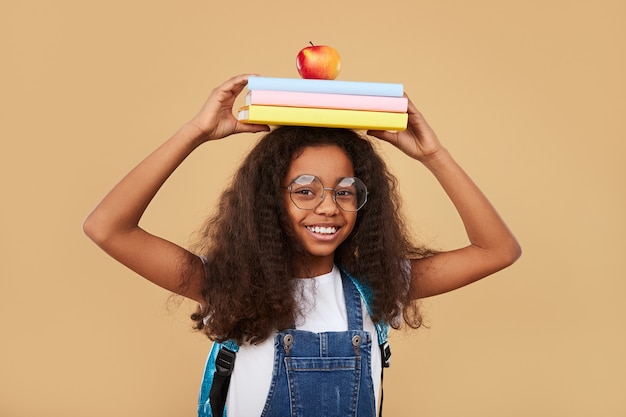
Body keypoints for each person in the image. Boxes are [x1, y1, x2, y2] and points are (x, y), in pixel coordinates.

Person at [83, 74, 521, 417]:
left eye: (345, 190)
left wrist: (433, 155)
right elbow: (108, 227)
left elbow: (497, 249)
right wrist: (195, 131)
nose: (328, 207)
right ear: (268, 201)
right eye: (305, 190)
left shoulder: (378, 289)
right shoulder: (227, 287)